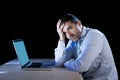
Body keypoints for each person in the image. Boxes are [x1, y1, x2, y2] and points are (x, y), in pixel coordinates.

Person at [54, 13, 118, 80]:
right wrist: (61, 37)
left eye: (70, 28)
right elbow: (59, 62)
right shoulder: (73, 40)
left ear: (79, 23)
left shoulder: (95, 36)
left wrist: (66, 63)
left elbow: (81, 67)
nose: (69, 35)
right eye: (65, 32)